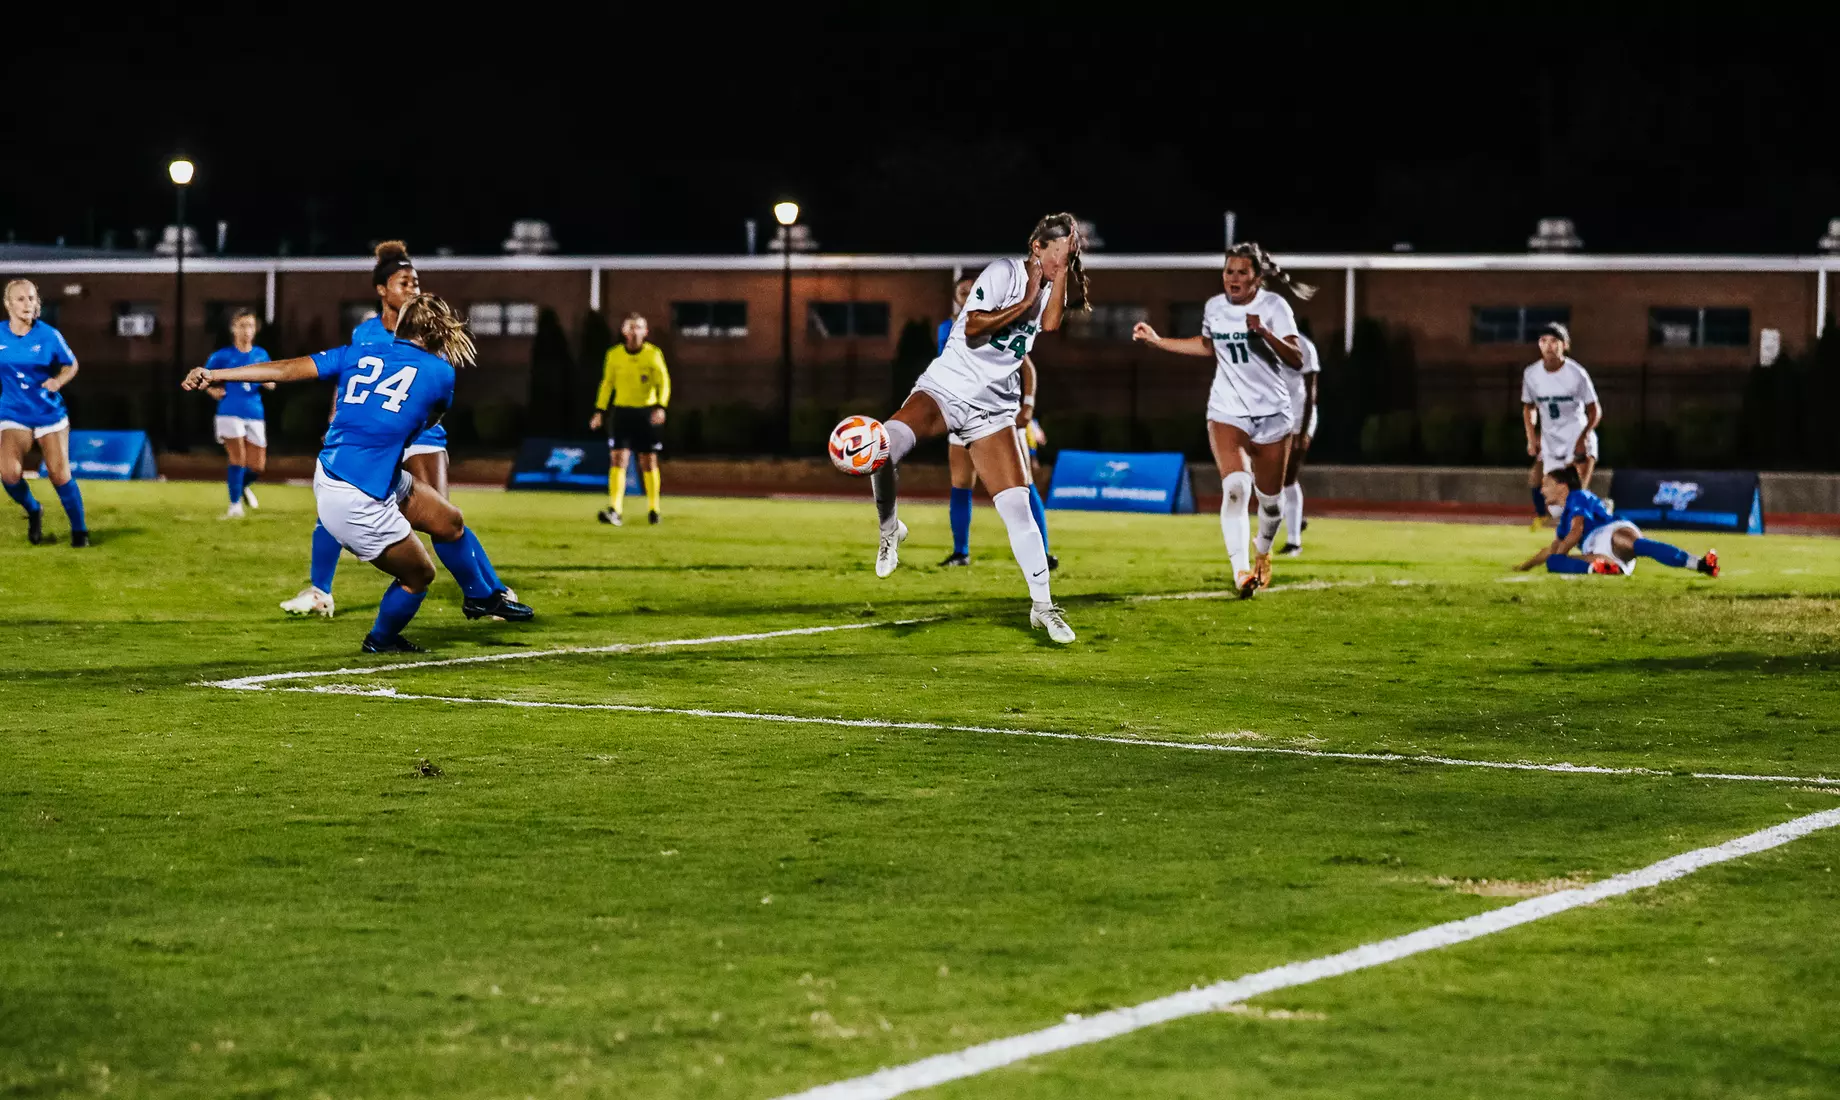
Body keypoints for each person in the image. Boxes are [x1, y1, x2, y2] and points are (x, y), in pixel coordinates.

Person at [186, 295, 534, 652]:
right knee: (419, 575)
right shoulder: (440, 371)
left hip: (343, 470)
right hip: (357, 495)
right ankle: (380, 640)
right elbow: (430, 418)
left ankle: (480, 596)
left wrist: (214, 374)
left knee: (449, 521)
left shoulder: (358, 352)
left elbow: (288, 369)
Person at [867, 213, 1084, 644]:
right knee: (881, 448)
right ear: (1037, 247)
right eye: (1059, 249)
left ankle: (1043, 608)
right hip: (946, 388)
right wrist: (1026, 300)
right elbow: (975, 328)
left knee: (1018, 508)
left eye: (1071, 251)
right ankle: (891, 529)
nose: (1067, 256)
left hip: (993, 409)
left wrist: (1055, 279)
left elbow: (1053, 324)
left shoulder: (1049, 286)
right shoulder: (1004, 271)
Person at [281, 242, 512, 615]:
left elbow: (435, 390)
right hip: (369, 437)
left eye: (416, 282)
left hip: (419, 434)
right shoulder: (365, 333)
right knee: (336, 507)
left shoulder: (425, 331)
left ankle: (492, 592)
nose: (413, 289)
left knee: (442, 517)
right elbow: (348, 381)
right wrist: (335, 421)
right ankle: (320, 591)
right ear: (381, 290)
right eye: (405, 282)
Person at [1132, 243, 1315, 597]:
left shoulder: (1275, 307)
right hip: (1226, 410)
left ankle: (1262, 551)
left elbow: (1296, 359)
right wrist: (1159, 342)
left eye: (1242, 272)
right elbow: (1206, 346)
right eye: (1229, 271)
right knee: (1235, 487)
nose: (1233, 278)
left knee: (1271, 503)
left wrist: (1264, 332)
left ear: (1257, 278)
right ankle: (1240, 571)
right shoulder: (1214, 307)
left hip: (1274, 414)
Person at [940, 272, 1054, 570]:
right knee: (961, 483)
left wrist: (1027, 407)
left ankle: (1042, 551)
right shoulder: (948, 328)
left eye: (971, 291)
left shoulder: (1004, 324)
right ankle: (960, 552)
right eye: (961, 292)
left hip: (1000, 415)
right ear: (956, 297)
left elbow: (1026, 368)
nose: (966, 295)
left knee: (1023, 485)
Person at [0, 279, 87, 546]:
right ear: (8, 304)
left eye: (32, 298)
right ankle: (34, 509)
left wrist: (58, 382)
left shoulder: (49, 335)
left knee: (59, 475)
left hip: (49, 414)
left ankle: (79, 531)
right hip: (14, 413)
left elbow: (71, 365)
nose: (28, 304)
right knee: (9, 474)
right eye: (21, 299)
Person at [1516, 465, 1719, 578]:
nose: (1542, 490)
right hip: (1598, 549)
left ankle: (1700, 564)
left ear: (1562, 486)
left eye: (1546, 485)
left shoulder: (1578, 496)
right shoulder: (1564, 519)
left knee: (1637, 545)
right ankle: (1602, 568)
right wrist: (1526, 566)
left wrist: (1560, 557)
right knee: (1640, 546)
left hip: (1607, 532)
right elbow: (1553, 548)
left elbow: (1577, 530)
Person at [589, 313, 670, 526]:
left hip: (646, 412)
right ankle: (615, 509)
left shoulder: (653, 354)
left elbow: (664, 382)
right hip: (622, 412)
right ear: (624, 331)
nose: (635, 332)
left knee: (648, 461)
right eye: (631, 327)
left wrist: (661, 406)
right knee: (618, 459)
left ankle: (654, 509)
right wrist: (600, 410)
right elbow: (607, 383)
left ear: (646, 332)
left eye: (639, 327)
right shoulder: (614, 355)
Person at [1522, 321, 1600, 529]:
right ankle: (1597, 508)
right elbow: (1529, 408)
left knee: (1576, 496)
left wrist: (1584, 437)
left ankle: (1596, 513)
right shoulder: (1531, 374)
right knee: (1555, 505)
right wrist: (1531, 437)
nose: (1548, 345)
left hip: (1576, 436)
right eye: (1543, 340)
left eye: (1554, 341)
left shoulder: (1576, 373)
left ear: (1564, 345)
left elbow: (1595, 410)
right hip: (1551, 439)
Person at [202, 308, 273, 519]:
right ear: (233, 328)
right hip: (229, 410)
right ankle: (234, 507)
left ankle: (240, 486)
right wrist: (212, 389)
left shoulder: (261, 354)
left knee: (258, 465)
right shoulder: (222, 356)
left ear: (255, 329)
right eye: (242, 325)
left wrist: (269, 382)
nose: (246, 330)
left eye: (250, 325)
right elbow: (204, 378)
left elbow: (272, 380)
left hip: (255, 412)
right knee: (238, 458)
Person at [1276, 331, 1321, 556]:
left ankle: (1294, 542)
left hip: (1298, 418)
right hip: (1274, 419)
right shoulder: (1262, 344)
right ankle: (1294, 516)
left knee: (1287, 477)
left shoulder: (1304, 346)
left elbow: (1311, 394)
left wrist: (1302, 432)